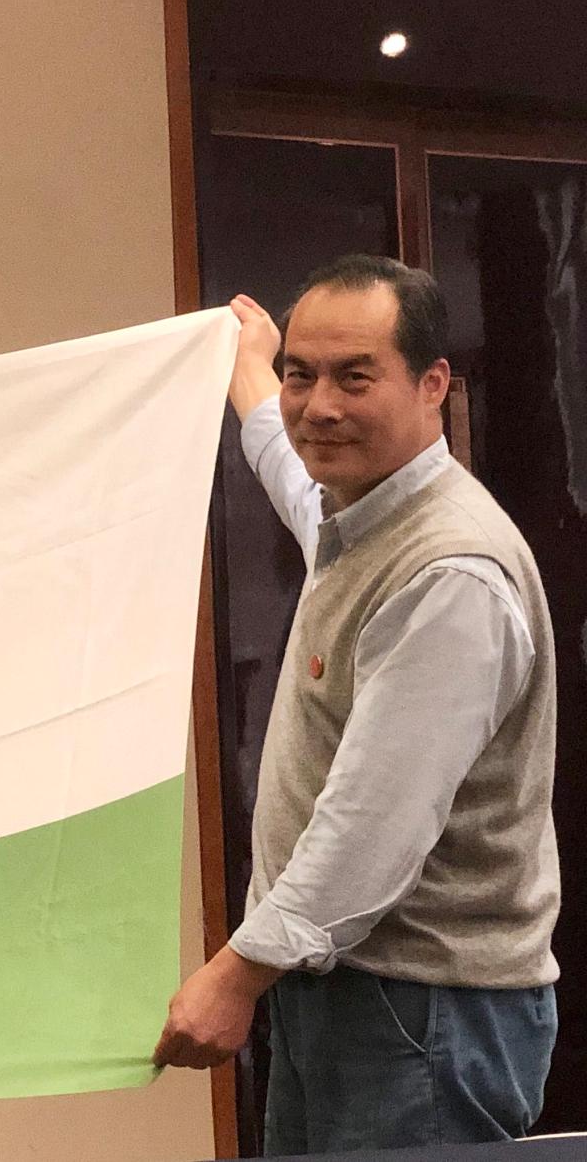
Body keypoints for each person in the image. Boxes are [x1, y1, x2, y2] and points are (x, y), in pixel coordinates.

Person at [154, 256, 559, 1153]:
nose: (320, 405)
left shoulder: (447, 573)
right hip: (350, 992)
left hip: (422, 1014)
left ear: (433, 384)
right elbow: (297, 476)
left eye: (355, 376)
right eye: (304, 374)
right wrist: (252, 369)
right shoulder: (360, 519)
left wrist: (235, 974)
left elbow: (372, 825)